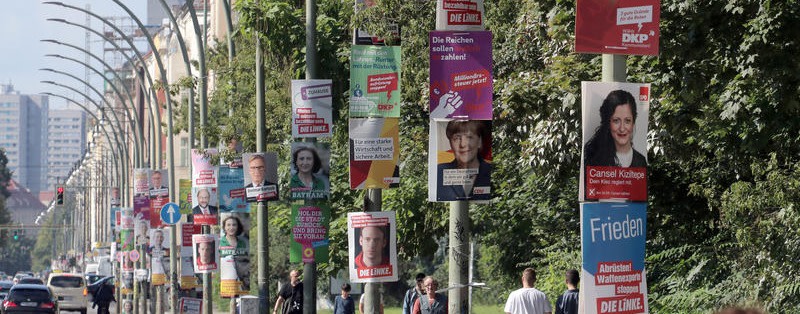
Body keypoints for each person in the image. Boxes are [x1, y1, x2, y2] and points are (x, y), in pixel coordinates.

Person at [583, 89, 647, 168]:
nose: (622, 128)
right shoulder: (594, 158)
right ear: (608, 123)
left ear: (633, 123)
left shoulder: (641, 161)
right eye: (616, 121)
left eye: (627, 121)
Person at [436, 120, 492, 201]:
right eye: (456, 138)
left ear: (479, 141)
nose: (462, 144)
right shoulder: (439, 172)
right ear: (450, 143)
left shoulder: (492, 171)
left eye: (469, 137)